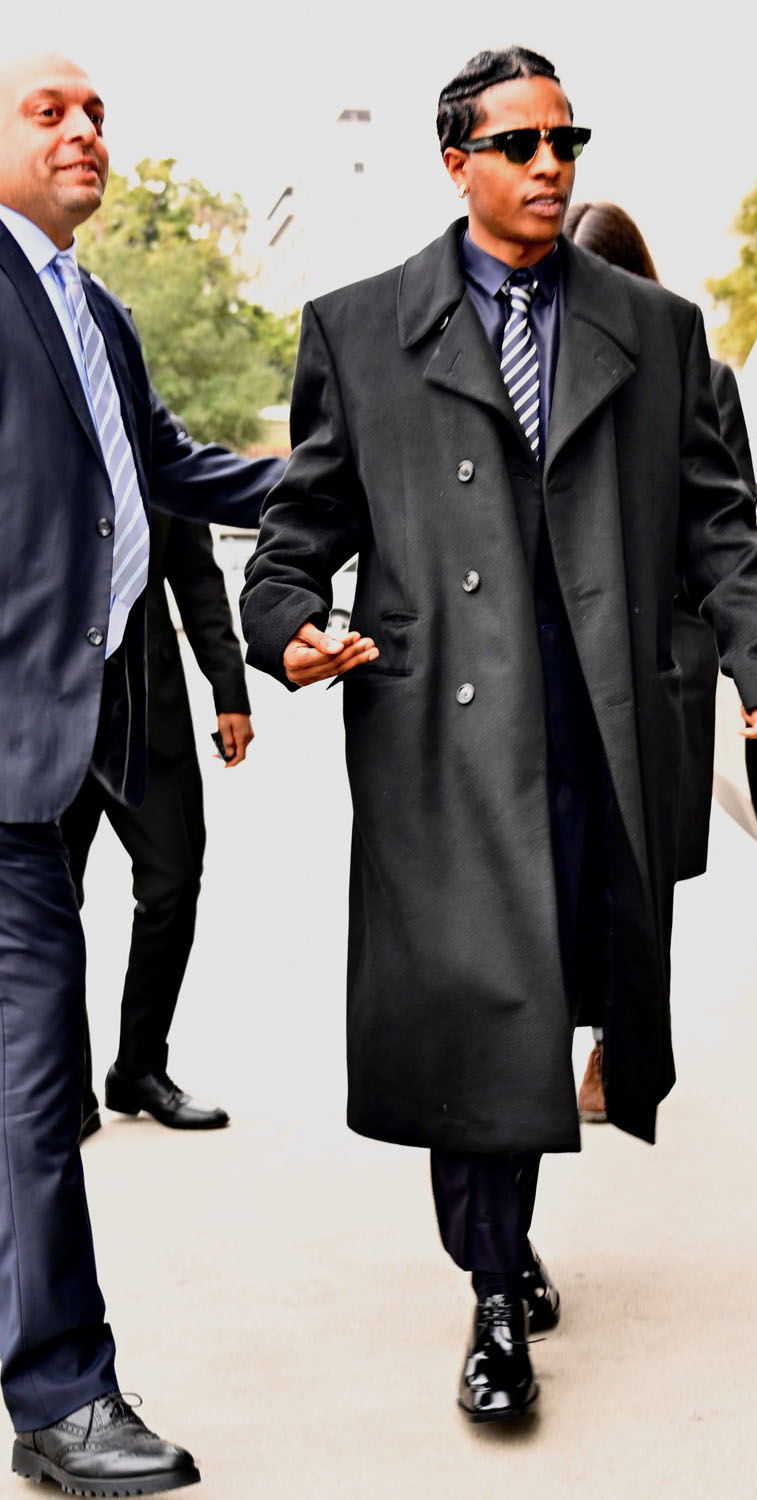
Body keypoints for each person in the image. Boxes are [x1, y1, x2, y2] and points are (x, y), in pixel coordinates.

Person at [241, 45, 757, 1424]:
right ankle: (494, 1293)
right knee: (480, 1013)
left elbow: (716, 518)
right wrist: (287, 623)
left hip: (598, 723)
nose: (551, 164)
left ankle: (500, 1247)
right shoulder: (359, 330)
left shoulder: (654, 330)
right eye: (520, 144)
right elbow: (298, 531)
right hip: (442, 742)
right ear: (458, 162)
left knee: (547, 1003)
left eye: (567, 141)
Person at [0, 52, 284, 1494]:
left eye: (98, 113)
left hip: (74, 739)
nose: (85, 132)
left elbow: (171, 469)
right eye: (48, 111)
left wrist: (347, 482)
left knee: (27, 1084)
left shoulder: (94, 312)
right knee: (33, 1089)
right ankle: (60, 1401)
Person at [564, 200, 757, 1124]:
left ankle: (618, 1048)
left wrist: (723, 644)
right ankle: (559, 1034)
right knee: (564, 860)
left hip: (658, 660)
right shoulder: (544, 378)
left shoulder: (700, 377)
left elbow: (727, 519)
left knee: (640, 878)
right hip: (566, 663)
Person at [63, 512, 253, 1139]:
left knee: (173, 883)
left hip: (148, 712)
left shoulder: (154, 458)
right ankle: (65, 1086)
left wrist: (228, 689)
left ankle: (139, 1067)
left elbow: (196, 577)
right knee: (47, 905)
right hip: (45, 720)